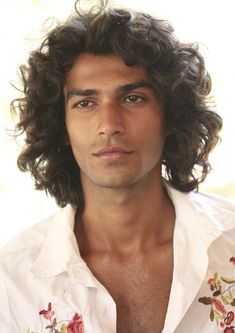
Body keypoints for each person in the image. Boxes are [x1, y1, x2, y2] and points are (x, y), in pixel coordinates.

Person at [0, 1, 235, 332]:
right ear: (61, 127)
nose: (109, 124)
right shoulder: (11, 281)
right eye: (85, 103)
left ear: (170, 115)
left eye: (132, 98)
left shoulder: (230, 243)